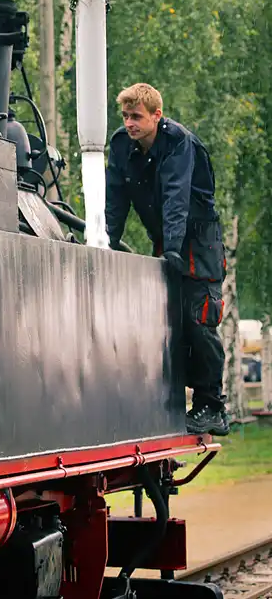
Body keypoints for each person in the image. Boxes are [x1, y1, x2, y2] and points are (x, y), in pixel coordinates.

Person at [105, 83, 228, 437]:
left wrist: (173, 247)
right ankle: (173, 399)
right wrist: (109, 239)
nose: (130, 124)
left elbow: (177, 195)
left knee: (199, 318)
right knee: (169, 321)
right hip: (168, 239)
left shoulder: (178, 142)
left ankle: (212, 406)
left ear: (156, 116)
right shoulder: (120, 145)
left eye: (137, 117)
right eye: (126, 117)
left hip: (198, 240)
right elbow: (116, 194)